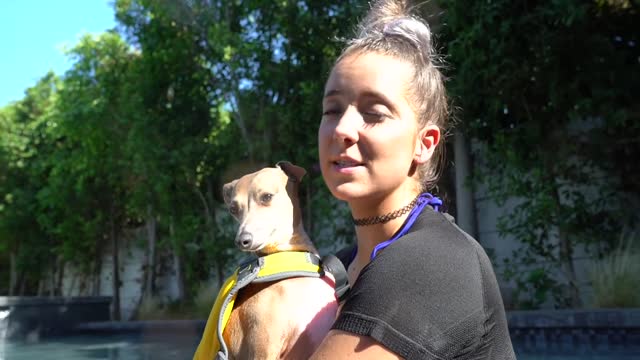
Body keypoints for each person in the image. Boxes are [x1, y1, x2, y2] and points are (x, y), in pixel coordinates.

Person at [310, 0, 516, 359]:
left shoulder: (433, 262)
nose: (342, 129)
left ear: (424, 143)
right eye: (332, 110)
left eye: (374, 113)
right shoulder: (341, 265)